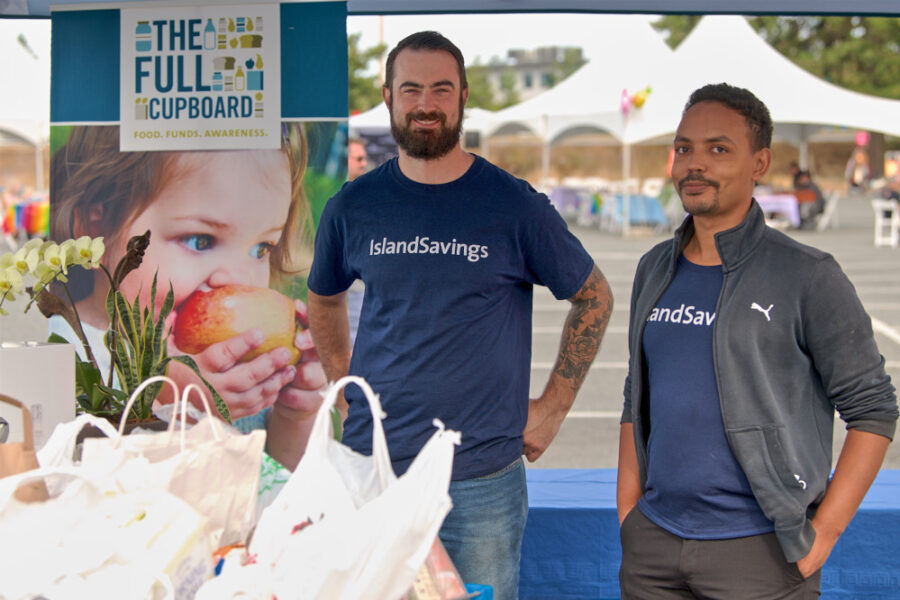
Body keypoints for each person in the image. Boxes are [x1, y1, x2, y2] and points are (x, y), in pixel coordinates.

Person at [307, 31, 613, 599]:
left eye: (441, 89)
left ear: (463, 97)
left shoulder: (513, 205)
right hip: (372, 466)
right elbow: (323, 298)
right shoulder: (353, 205)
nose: (426, 104)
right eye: (411, 89)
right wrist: (341, 384)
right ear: (388, 97)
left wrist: (553, 408)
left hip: (479, 480)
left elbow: (594, 296)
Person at [617, 83, 897, 599]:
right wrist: (629, 513)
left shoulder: (807, 274)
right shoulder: (653, 268)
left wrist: (823, 533)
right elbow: (637, 393)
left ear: (760, 163)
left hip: (762, 553)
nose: (695, 164)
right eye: (684, 148)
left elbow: (873, 409)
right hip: (654, 545)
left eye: (718, 149)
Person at [49, 124, 326, 469]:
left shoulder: (244, 361)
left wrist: (295, 416)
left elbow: (279, 479)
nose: (239, 280)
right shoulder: (62, 355)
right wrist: (167, 407)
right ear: (96, 232)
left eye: (261, 248)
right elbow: (78, 485)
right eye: (201, 241)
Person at [345, 136, 369, 346]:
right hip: (342, 289)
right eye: (359, 159)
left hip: (359, 289)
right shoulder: (335, 197)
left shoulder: (365, 195)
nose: (364, 164)